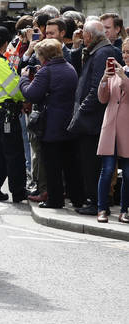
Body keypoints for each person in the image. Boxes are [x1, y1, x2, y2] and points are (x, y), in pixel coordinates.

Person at [68, 19, 123, 216]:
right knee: (90, 163)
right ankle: (94, 200)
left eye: (83, 36)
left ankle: (96, 202)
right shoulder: (96, 51)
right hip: (91, 120)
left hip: (93, 121)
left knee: (92, 163)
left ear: (89, 37)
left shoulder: (102, 53)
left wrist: (80, 113)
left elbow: (97, 89)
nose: (82, 38)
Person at [19, 39, 78, 209]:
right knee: (70, 165)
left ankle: (55, 200)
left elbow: (32, 94)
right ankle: (77, 197)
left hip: (51, 124)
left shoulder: (46, 72)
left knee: (52, 165)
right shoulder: (69, 68)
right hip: (69, 122)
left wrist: (24, 79)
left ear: (43, 56)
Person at [0, 27, 27, 203]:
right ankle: (18, 192)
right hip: (6, 112)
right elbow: (15, 89)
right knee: (14, 154)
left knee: (1, 153)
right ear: (5, 43)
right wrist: (24, 79)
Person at [96, 50, 129, 223]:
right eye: (124, 52)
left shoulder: (122, 74)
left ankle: (125, 210)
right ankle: (101, 209)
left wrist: (124, 78)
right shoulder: (116, 72)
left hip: (127, 129)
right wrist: (103, 80)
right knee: (107, 170)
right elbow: (103, 99)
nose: (125, 56)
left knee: (128, 173)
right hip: (110, 127)